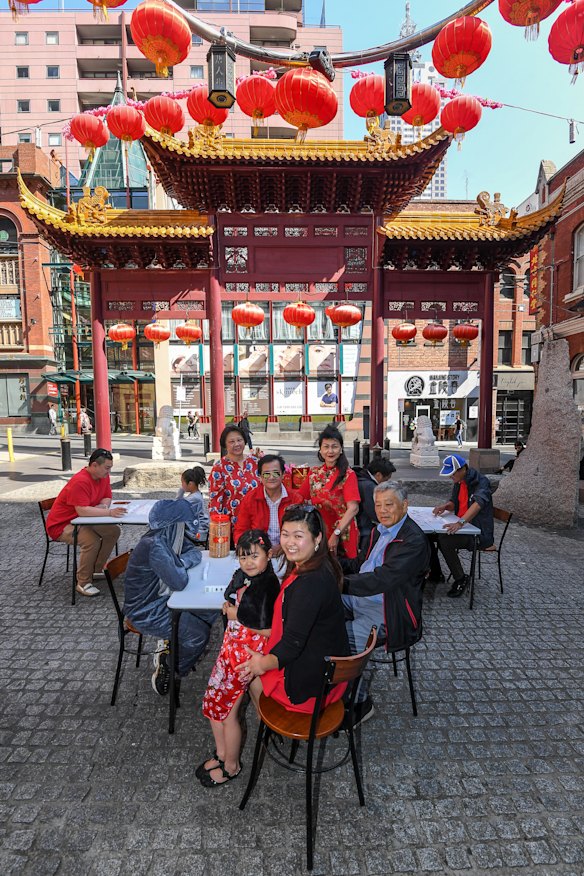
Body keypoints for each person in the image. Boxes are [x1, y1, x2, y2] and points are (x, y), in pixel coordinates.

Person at [236, 505, 350, 717]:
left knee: (250, 680)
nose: (289, 542)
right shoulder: (319, 565)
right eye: (285, 534)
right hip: (325, 669)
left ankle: (274, 728)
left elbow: (291, 645)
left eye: (298, 536)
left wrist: (261, 664)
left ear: (317, 539)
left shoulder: (310, 584)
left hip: (313, 688)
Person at [342, 481, 430, 725]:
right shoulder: (378, 530)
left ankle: (359, 703)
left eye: (388, 504)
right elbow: (359, 564)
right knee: (320, 611)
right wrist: (330, 567)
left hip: (390, 610)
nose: (382, 510)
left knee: (350, 636)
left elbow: (381, 580)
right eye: (378, 505)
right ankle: (331, 686)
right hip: (362, 597)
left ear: (404, 505)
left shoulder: (413, 541)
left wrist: (340, 584)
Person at [198, 530, 280, 787]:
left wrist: (237, 615)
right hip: (230, 651)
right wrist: (229, 609)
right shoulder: (246, 578)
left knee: (228, 712)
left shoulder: (269, 586)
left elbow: (270, 629)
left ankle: (231, 765)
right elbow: (234, 600)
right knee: (213, 704)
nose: (248, 562)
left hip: (245, 657)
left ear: (269, 555)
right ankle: (222, 754)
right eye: (243, 557)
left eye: (255, 556)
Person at [123, 499, 218, 696]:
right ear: (175, 523)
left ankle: (172, 645)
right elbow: (180, 581)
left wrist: (179, 561)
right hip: (145, 610)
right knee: (198, 635)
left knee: (208, 610)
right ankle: (171, 666)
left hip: (162, 600)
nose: (188, 529)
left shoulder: (168, 536)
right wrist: (180, 564)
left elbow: (194, 553)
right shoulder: (155, 545)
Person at [46, 448, 126, 597]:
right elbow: (82, 510)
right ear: (94, 465)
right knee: (91, 540)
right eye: (106, 468)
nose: (108, 472)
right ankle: (82, 582)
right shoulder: (80, 481)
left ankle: (96, 569)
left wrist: (103, 506)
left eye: (110, 468)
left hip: (84, 519)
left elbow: (107, 497)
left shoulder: (103, 477)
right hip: (62, 524)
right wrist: (108, 512)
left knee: (113, 531)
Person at [432, 453, 495, 598]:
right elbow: (454, 502)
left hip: (479, 533)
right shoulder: (459, 483)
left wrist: (460, 523)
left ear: (462, 470)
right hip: (465, 528)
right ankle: (435, 573)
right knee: (430, 536)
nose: (450, 477)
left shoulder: (481, 482)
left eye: (452, 474)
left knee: (445, 541)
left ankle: (461, 579)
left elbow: (478, 504)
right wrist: (445, 506)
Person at [297, 425, 360, 558]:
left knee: (343, 571)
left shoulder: (348, 475)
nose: (330, 451)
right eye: (326, 446)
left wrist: (336, 534)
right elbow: (298, 498)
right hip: (320, 532)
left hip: (343, 533)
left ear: (341, 449)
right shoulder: (314, 474)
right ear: (320, 450)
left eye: (334, 446)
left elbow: (353, 508)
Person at [233, 454, 302, 548]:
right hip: (258, 552)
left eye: (276, 473)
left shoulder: (295, 499)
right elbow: (240, 531)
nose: (271, 477)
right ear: (260, 477)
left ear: (283, 475)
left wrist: (282, 548)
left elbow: (301, 532)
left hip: (289, 551)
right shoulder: (250, 499)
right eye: (266, 474)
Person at [209, 425, 260, 533]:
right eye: (231, 441)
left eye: (239, 440)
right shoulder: (219, 467)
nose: (236, 444)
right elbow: (215, 501)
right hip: (232, 525)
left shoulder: (256, 462)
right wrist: (218, 528)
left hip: (258, 522)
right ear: (225, 445)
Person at [355, 457, 397, 550]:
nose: (386, 482)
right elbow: (375, 513)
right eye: (386, 479)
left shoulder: (361, 477)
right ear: (378, 475)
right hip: (363, 528)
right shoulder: (369, 486)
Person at [176, 467, 209, 544]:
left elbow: (177, 505)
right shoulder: (194, 495)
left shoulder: (195, 498)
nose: (182, 485)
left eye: (182, 482)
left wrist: (181, 490)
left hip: (197, 532)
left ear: (190, 484)